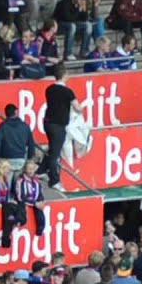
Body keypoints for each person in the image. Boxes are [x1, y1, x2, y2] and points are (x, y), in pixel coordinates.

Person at [42, 64, 81, 192]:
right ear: (64, 75)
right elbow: (77, 107)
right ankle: (54, 180)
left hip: (48, 123)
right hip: (58, 125)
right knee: (55, 153)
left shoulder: (49, 89)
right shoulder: (67, 92)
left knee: (52, 148)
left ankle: (40, 170)